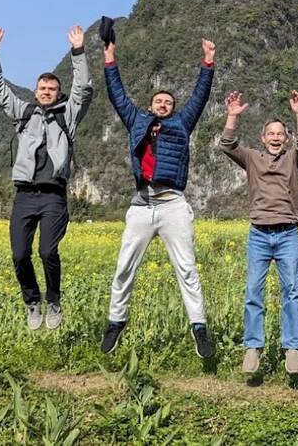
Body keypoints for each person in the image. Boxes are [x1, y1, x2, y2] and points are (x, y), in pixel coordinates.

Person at [99, 38, 216, 358]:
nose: (163, 104)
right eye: (158, 101)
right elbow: (117, 95)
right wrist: (110, 58)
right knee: (124, 266)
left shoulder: (182, 123)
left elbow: (200, 97)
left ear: (172, 108)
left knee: (187, 268)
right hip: (141, 204)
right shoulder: (136, 120)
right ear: (150, 106)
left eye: (167, 102)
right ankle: (116, 321)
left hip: (173, 204)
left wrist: (208, 63)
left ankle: (199, 327)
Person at [0, 25, 93, 330]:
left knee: (47, 251)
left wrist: (78, 52)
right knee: (19, 254)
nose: (47, 92)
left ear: (59, 93)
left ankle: (54, 300)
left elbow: (83, 88)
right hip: (24, 195)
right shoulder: (23, 112)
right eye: (42, 88)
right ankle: (32, 302)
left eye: (52, 89)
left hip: (53, 195)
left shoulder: (67, 115)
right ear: (36, 91)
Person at [219, 89, 298, 375]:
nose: (275, 137)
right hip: (259, 233)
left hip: (287, 234)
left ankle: (293, 347)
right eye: (270, 133)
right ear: (262, 138)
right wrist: (232, 116)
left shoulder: (294, 159)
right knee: (253, 291)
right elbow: (227, 144)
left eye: (280, 134)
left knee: (292, 292)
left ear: (285, 138)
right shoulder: (252, 158)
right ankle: (253, 348)